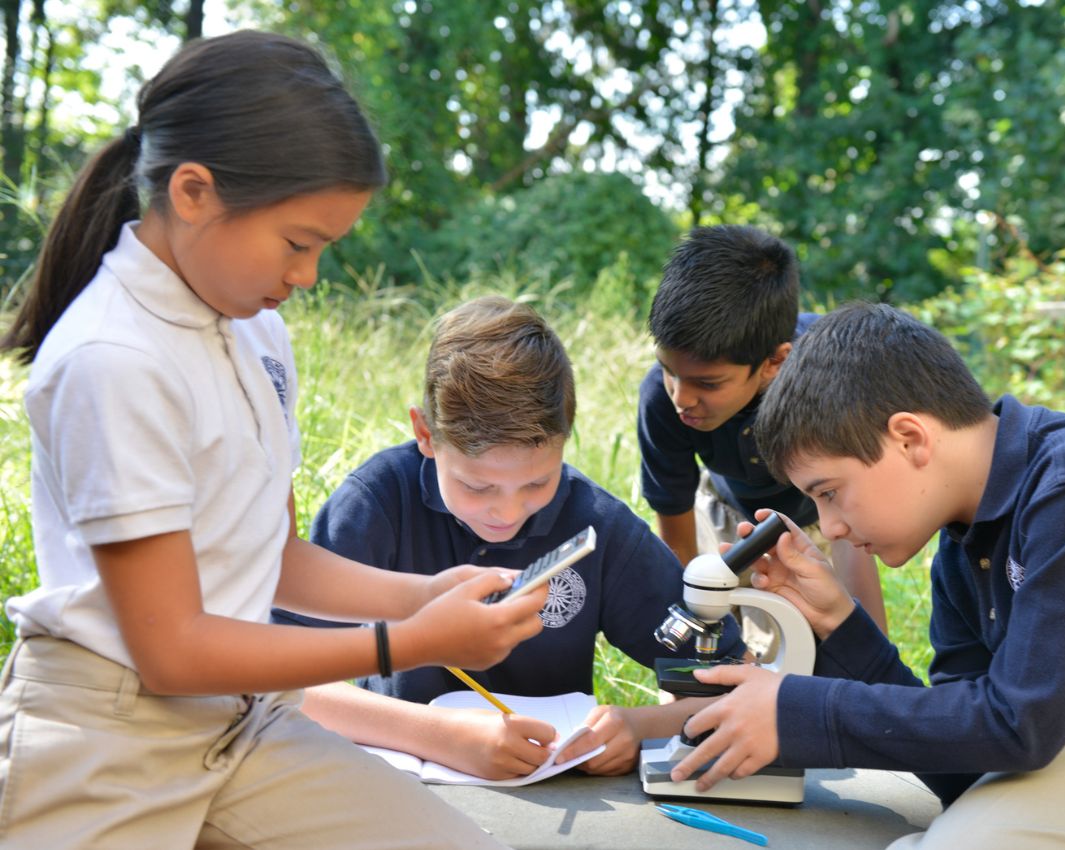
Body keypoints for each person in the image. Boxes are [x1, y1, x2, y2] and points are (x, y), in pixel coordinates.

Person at [0, 31, 546, 850]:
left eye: (326, 247)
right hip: (109, 734)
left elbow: (271, 553)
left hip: (241, 724)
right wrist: (410, 641)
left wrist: (422, 594)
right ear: (193, 193)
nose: (308, 276)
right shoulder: (112, 360)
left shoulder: (254, 329)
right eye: (298, 242)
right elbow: (171, 651)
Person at [666, 302, 1065, 848]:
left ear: (910, 437)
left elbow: (1017, 726)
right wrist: (837, 624)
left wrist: (799, 712)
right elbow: (968, 762)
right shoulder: (963, 550)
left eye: (830, 492)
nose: (829, 528)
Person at [273, 295, 742, 780]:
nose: (507, 511)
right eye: (477, 486)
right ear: (426, 434)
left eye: (538, 483)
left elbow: (735, 683)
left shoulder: (598, 526)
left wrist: (641, 727)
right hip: (402, 785)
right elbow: (279, 679)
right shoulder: (374, 506)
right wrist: (438, 734)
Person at [637, 224, 888, 638]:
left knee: (814, 659)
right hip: (722, 512)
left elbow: (850, 526)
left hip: (820, 522)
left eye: (708, 383)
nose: (681, 397)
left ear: (774, 361)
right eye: (668, 371)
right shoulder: (660, 400)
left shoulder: (830, 385)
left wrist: (876, 658)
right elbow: (678, 542)